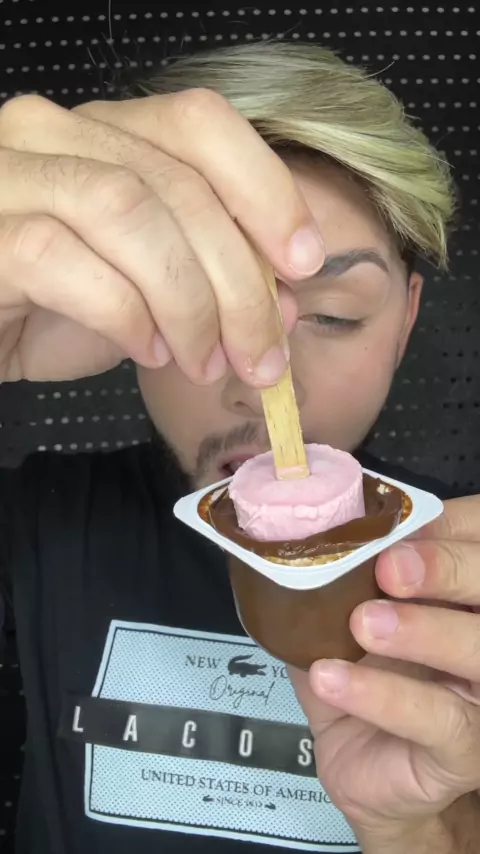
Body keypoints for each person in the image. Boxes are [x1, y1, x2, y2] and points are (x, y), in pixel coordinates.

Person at [0, 39, 479, 854]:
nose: (265, 385)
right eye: (205, 305)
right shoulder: (39, 526)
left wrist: (420, 832)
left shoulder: (463, 583)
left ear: (404, 322)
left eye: (334, 314)